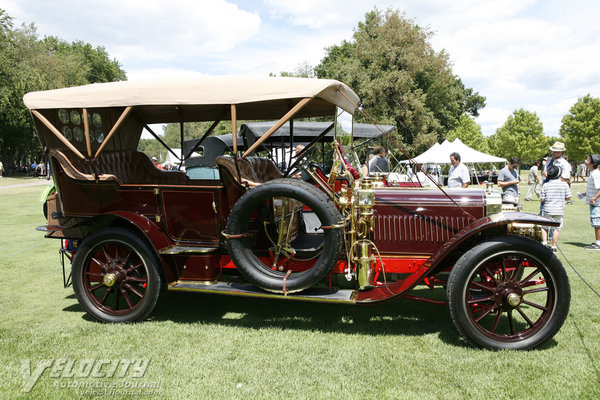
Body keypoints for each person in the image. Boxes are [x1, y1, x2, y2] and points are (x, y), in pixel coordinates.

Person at [540, 165, 572, 252]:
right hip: (559, 210)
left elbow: (542, 199)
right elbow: (569, 197)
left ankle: (544, 244)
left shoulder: (545, 185)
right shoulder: (564, 184)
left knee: (544, 227)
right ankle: (554, 247)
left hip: (547, 209)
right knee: (556, 229)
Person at [584, 154, 600, 250]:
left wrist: (593, 198)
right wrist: (585, 194)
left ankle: (598, 243)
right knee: (596, 223)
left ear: (592, 163)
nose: (586, 160)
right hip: (595, 202)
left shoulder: (595, 174)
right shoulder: (593, 173)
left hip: (597, 203)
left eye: (588, 159)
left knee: (597, 223)